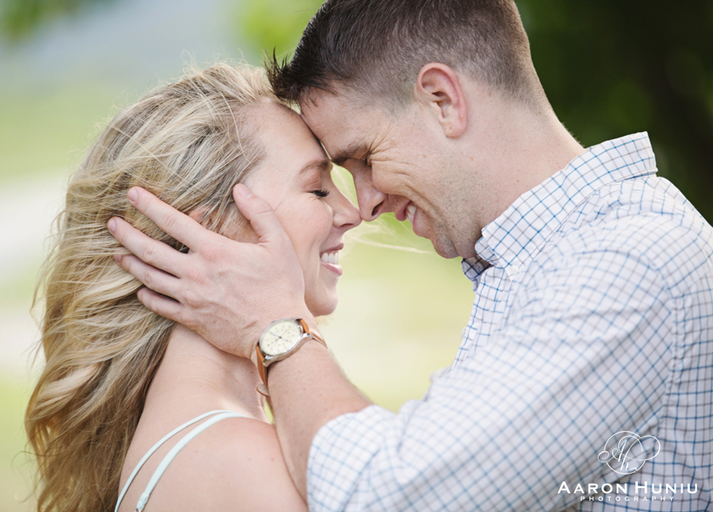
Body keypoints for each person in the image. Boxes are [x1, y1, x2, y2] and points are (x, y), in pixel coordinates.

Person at [108, 0, 713, 510]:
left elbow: (392, 495)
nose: (362, 205)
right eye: (326, 182)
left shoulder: (631, 263)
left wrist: (277, 328)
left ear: (442, 99)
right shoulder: (554, 264)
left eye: (364, 159)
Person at [25, 63, 360, 512]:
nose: (352, 211)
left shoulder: (183, 437)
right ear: (204, 233)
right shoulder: (239, 460)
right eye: (317, 189)